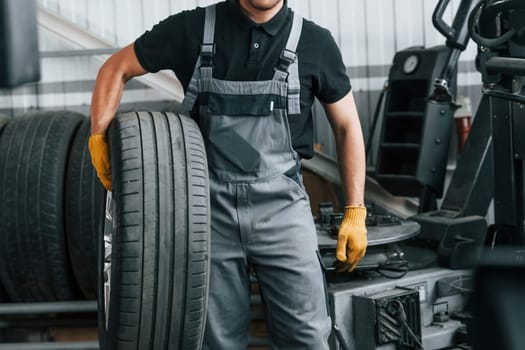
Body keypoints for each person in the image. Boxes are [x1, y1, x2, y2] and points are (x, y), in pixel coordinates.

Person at [88, 0, 367, 348]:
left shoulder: (314, 42)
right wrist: (98, 134)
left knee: (308, 338)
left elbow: (347, 128)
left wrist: (356, 210)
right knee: (217, 342)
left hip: (283, 214)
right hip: (208, 215)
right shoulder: (193, 30)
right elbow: (115, 68)